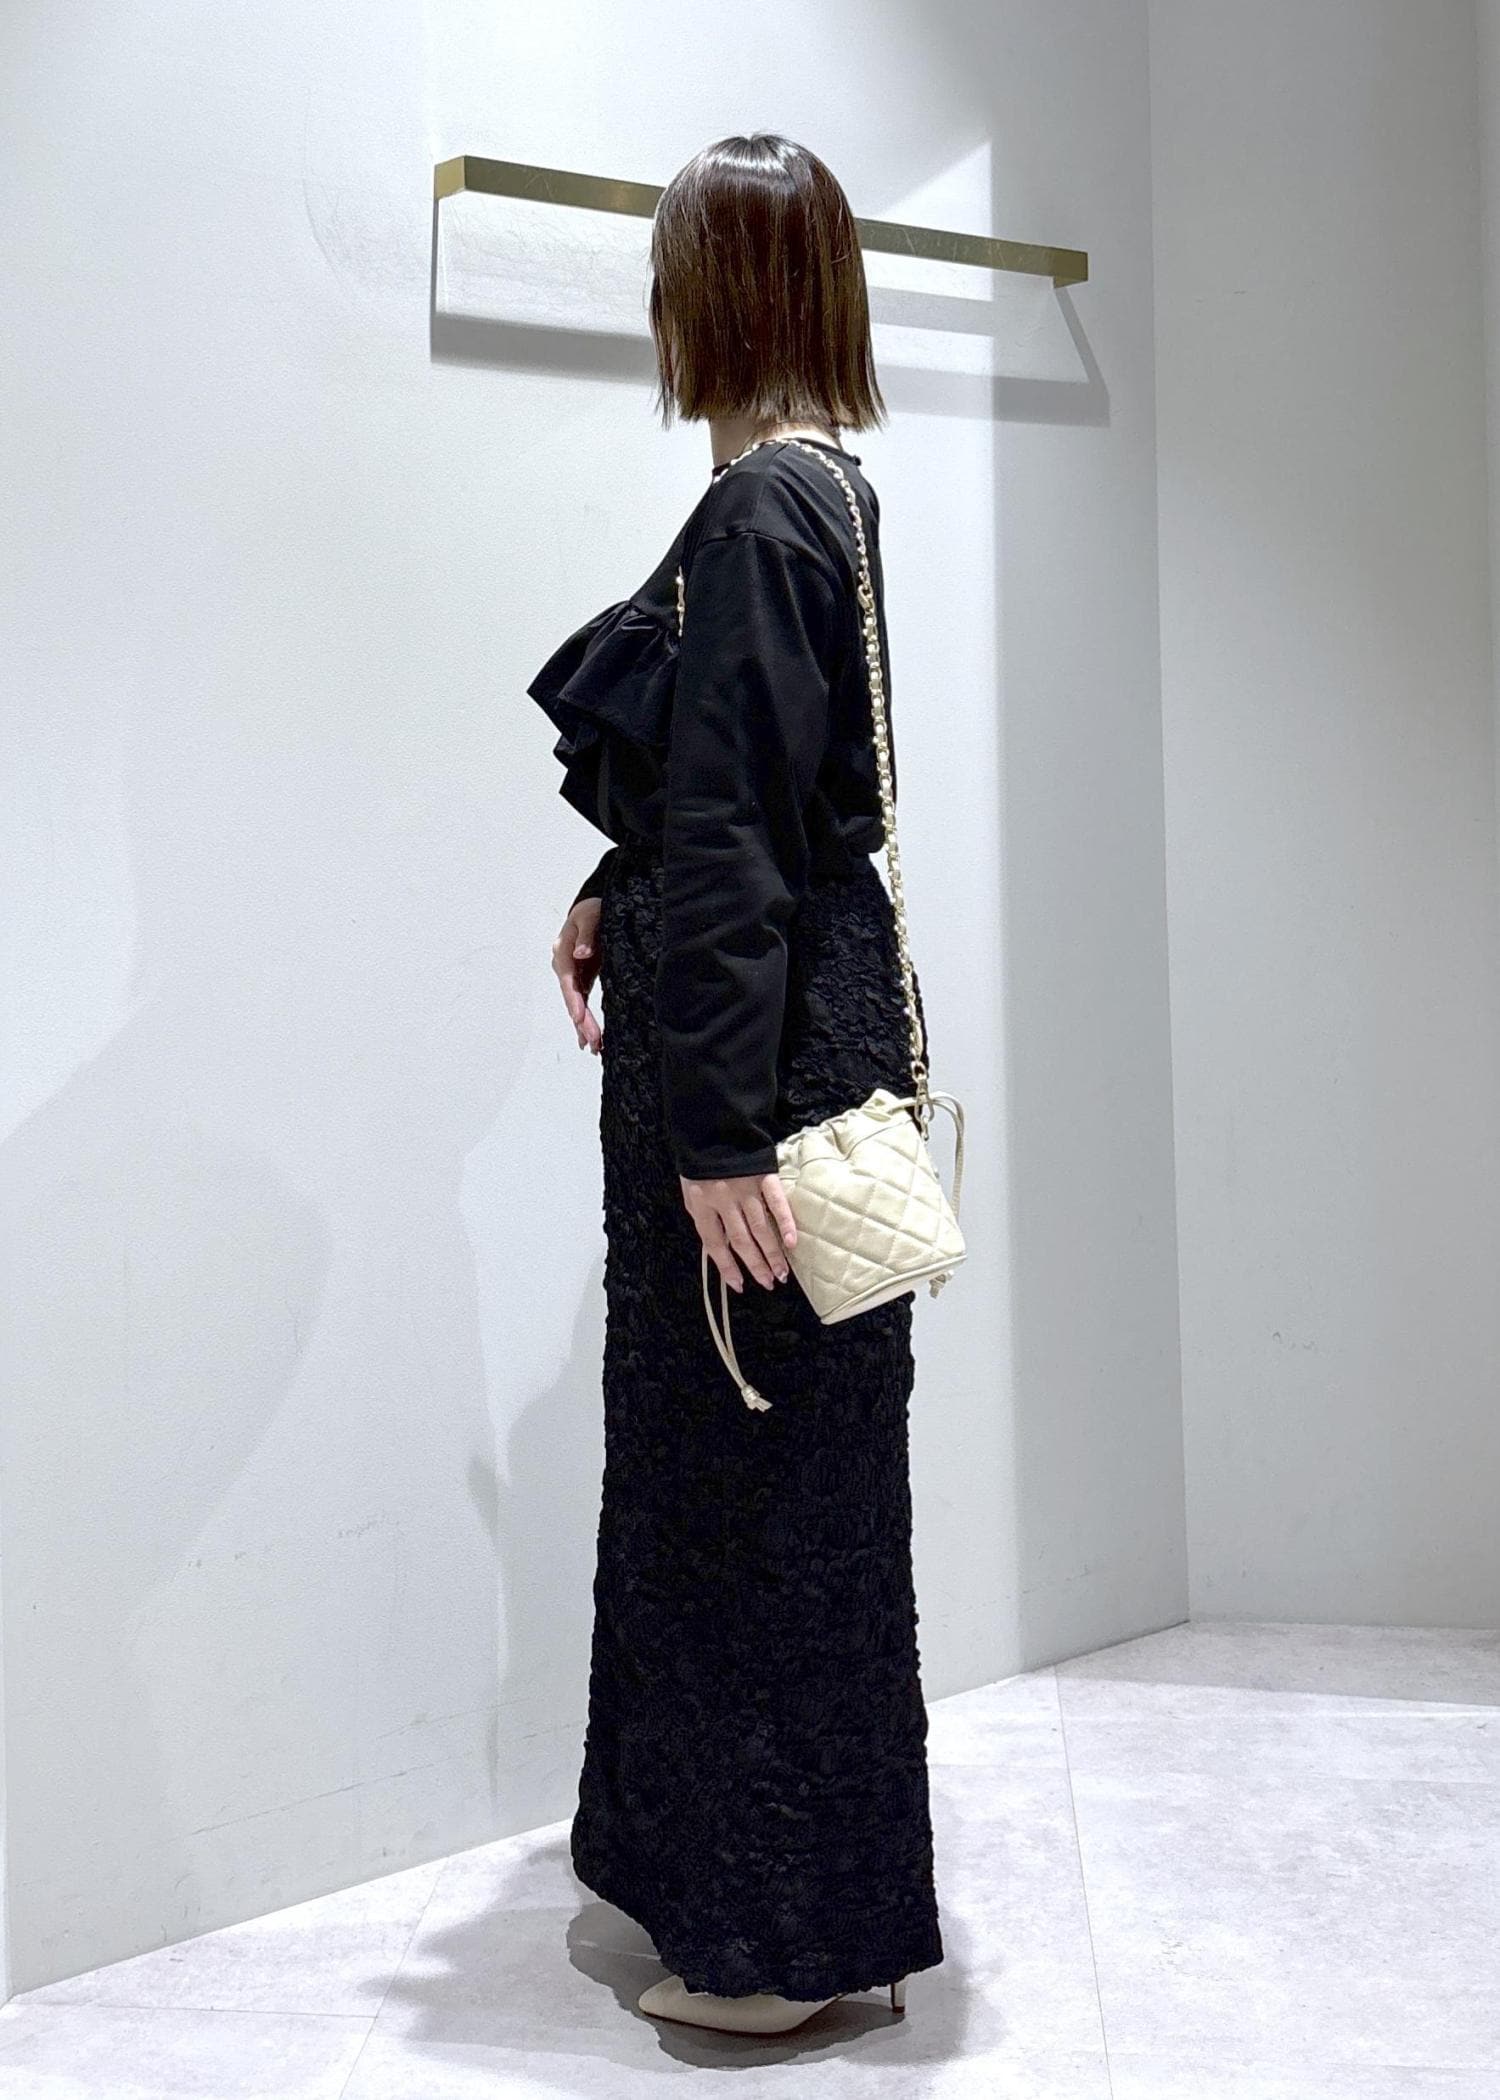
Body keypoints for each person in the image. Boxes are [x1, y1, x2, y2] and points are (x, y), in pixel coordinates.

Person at [526, 132, 943, 2037]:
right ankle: (744, 1896)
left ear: (723, 290)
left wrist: (717, 1134)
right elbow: (746, 790)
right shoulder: (813, 488)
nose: (657, 306)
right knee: (757, 1480)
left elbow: (752, 835)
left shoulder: (769, 506)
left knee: (763, 1491)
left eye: (674, 270)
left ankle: (777, 1944)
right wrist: (612, 887)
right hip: (785, 1029)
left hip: (757, 1072)